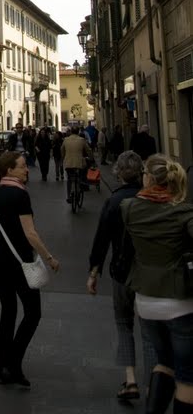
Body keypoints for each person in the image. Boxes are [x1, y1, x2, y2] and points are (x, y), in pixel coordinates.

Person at [121, 154, 193, 414]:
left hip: (146, 301)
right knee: (186, 375)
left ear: (148, 178)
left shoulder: (128, 208)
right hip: (179, 301)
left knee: (164, 362)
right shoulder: (183, 212)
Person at [0, 150, 60, 389]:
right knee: (33, 312)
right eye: (22, 166)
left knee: (8, 312)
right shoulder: (19, 195)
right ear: (9, 170)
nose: (27, 169)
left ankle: (2, 368)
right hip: (20, 263)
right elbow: (30, 233)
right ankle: (13, 362)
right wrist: (49, 258)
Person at [86, 150, 156, 402]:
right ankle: (152, 386)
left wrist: (94, 271)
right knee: (149, 331)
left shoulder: (114, 202)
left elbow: (101, 240)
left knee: (124, 325)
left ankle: (131, 379)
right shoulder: (151, 199)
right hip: (149, 275)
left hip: (121, 272)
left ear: (118, 173)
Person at [61, 126, 92, 203]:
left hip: (68, 163)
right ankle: (78, 190)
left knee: (69, 179)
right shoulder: (82, 140)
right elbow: (88, 150)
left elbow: (62, 149)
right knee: (79, 177)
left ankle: (68, 196)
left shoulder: (66, 140)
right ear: (78, 132)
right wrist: (91, 158)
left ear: (71, 132)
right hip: (79, 163)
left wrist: (64, 157)